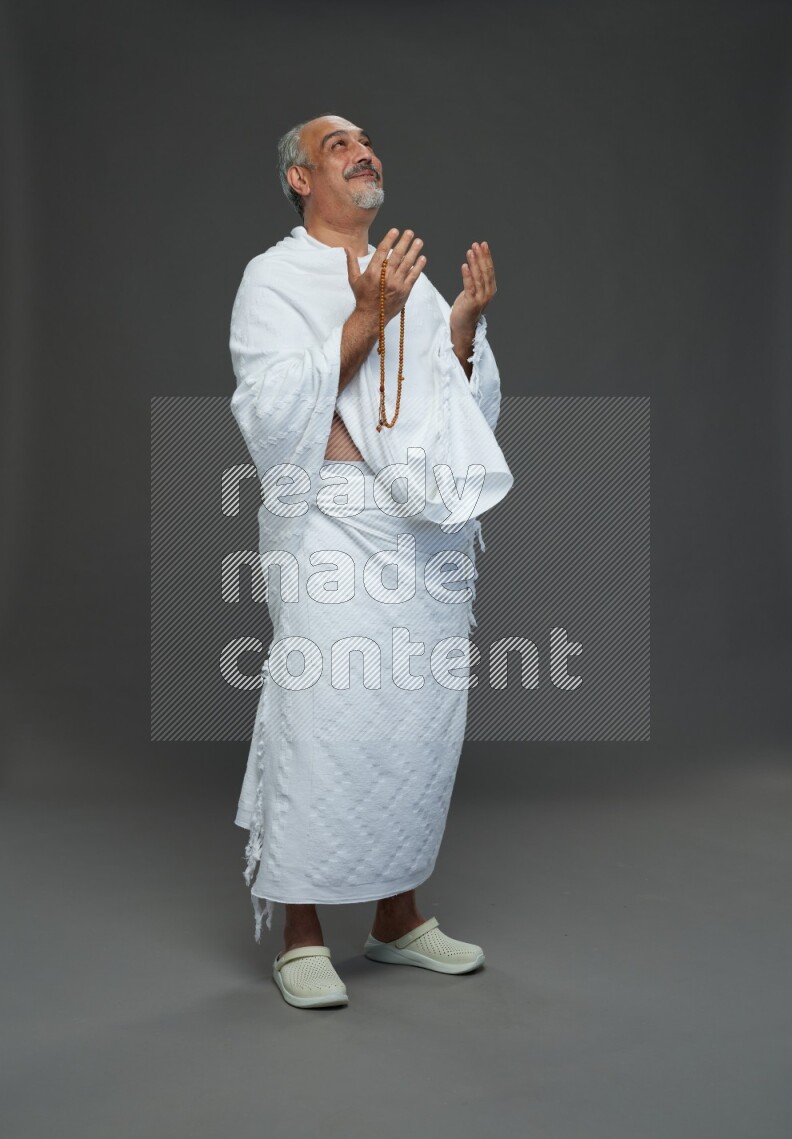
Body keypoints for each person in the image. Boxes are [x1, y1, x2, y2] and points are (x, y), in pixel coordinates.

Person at [229, 113, 513, 1009]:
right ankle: (301, 930)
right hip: (332, 526)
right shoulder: (270, 279)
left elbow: (454, 410)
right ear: (300, 180)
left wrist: (459, 327)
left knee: (412, 723)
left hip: (420, 538)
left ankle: (395, 919)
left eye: (365, 140)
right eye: (338, 145)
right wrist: (363, 314)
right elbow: (271, 412)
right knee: (323, 715)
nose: (362, 151)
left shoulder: (418, 285)